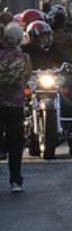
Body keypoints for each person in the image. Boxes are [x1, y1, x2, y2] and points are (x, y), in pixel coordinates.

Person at [23, 21, 72, 156]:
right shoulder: (25, 50)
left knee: (67, 105)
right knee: (16, 110)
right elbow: (19, 61)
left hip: (50, 85)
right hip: (32, 85)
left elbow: (65, 59)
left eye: (47, 36)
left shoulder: (53, 48)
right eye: (42, 36)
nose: (45, 39)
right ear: (33, 36)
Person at [0, 23, 31, 191]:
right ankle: (15, 181)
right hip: (16, 105)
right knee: (15, 143)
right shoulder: (24, 58)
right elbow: (26, 77)